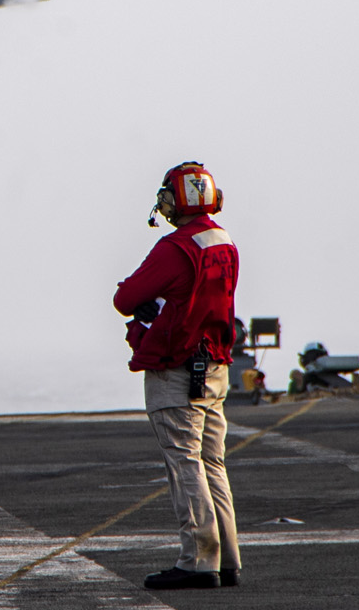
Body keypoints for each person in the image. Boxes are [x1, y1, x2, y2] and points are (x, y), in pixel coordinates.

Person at [113, 162, 241, 590]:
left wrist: (148, 304)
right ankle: (227, 559)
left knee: (184, 463)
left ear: (177, 199)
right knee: (212, 463)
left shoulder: (174, 248)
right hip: (215, 367)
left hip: (177, 370)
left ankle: (199, 560)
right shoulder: (224, 242)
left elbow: (125, 298)